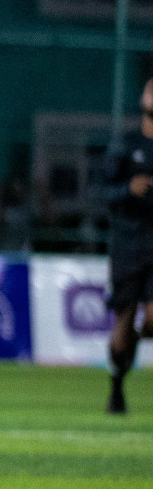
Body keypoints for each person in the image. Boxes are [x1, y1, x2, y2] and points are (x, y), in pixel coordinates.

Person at [98, 77, 153, 415]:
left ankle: (132, 341)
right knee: (122, 329)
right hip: (128, 245)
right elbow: (101, 193)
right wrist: (128, 189)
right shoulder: (125, 145)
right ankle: (116, 384)